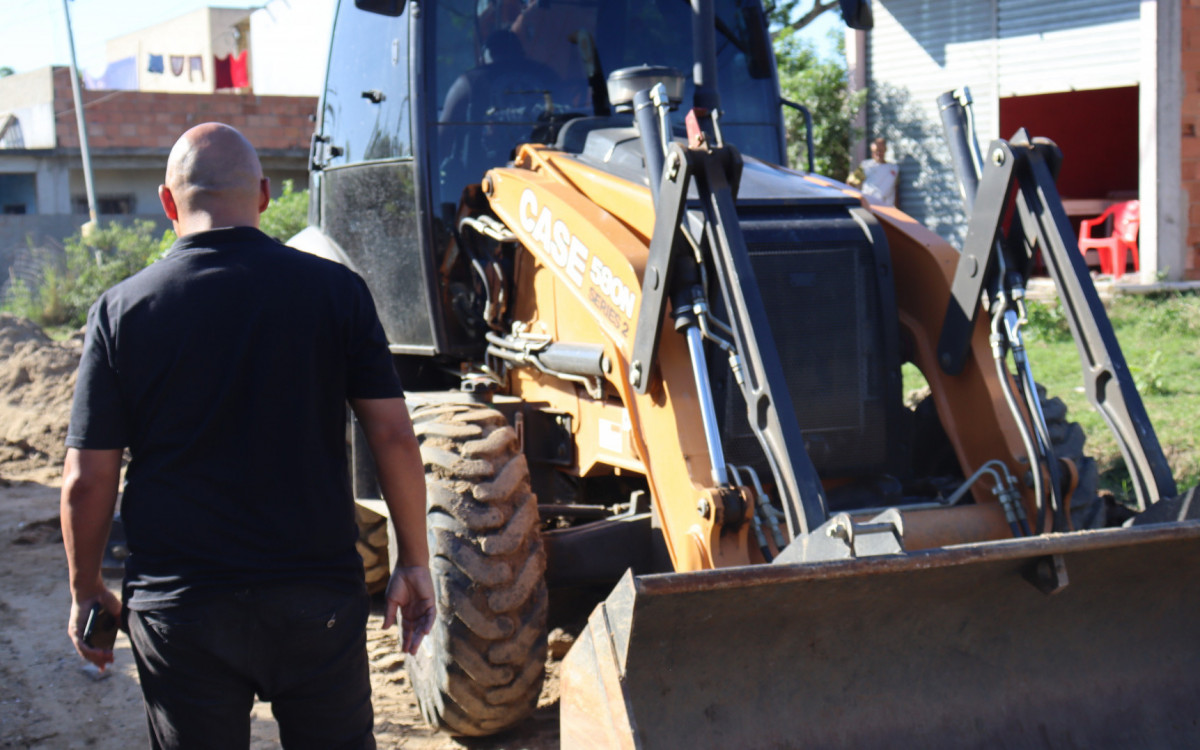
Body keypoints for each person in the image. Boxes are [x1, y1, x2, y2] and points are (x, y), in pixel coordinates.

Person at [61, 122, 435, 750]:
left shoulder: (122, 311)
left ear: (166, 202)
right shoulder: (336, 293)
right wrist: (414, 560)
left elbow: (86, 478)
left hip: (182, 609)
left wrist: (86, 593)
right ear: (263, 195)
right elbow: (394, 437)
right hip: (317, 599)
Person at [849, 137, 900, 207]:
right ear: (872, 151)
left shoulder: (894, 169)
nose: (878, 153)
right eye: (876, 150)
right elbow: (850, 183)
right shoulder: (866, 166)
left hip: (887, 209)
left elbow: (896, 191)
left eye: (881, 150)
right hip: (869, 207)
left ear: (885, 150)